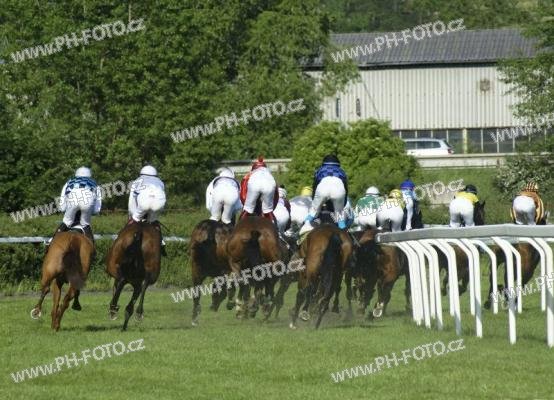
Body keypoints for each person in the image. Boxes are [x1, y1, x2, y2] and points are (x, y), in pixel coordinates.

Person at [299, 154, 348, 234]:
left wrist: (315, 203)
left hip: (322, 189)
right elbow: (346, 189)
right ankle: (345, 233)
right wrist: (342, 205)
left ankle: (305, 227)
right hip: (339, 190)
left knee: (314, 211)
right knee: (339, 216)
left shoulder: (320, 170)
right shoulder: (342, 171)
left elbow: (315, 186)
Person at [53, 166, 102, 242]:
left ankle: (52, 241)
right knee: (85, 224)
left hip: (72, 202)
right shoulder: (94, 183)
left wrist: (63, 209)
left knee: (66, 222)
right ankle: (92, 245)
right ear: (89, 175)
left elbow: (62, 199)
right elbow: (97, 207)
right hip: (87, 204)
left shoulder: (69, 181)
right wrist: (93, 211)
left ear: (76, 174)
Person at [126, 165, 167, 247]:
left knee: (134, 220)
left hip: (143, 204)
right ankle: (161, 240)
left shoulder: (136, 181)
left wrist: (133, 215)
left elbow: (131, 202)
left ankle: (122, 237)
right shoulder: (160, 182)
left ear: (141, 174)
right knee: (153, 222)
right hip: (158, 205)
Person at [239, 156, 278, 221]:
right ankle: (274, 224)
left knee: (247, 209)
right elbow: (276, 195)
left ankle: (240, 224)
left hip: (254, 185)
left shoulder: (249, 175)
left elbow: (242, 193)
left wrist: (246, 206)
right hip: (268, 185)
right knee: (268, 211)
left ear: (253, 168)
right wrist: (270, 208)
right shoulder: (270, 175)